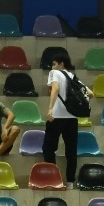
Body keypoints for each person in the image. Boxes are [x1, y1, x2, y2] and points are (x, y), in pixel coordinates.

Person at [43, 50, 81, 190]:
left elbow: (55, 89)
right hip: (72, 118)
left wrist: (50, 108)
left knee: (48, 148)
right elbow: (90, 93)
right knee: (71, 151)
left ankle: (54, 179)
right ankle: (70, 182)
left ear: (61, 64)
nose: (52, 67)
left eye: (54, 64)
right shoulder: (73, 76)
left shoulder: (55, 73)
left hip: (57, 116)